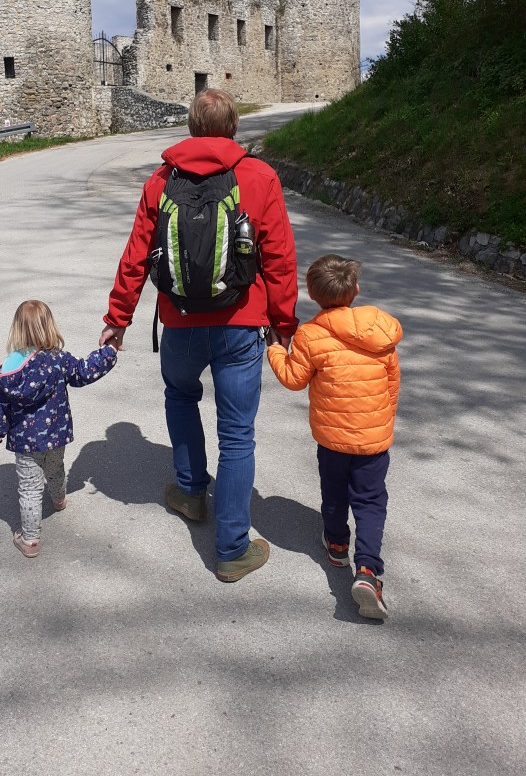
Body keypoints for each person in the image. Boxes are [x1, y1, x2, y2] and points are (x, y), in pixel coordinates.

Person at [100, 89, 299, 582]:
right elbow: (279, 259)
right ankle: (231, 550)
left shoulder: (160, 181)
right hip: (240, 325)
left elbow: (136, 257)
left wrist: (117, 319)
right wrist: (284, 324)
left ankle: (190, 492)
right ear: (233, 127)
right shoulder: (259, 177)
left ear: (191, 128)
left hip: (181, 323)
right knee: (237, 433)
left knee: (181, 396)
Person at [265, 255, 402, 619]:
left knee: (334, 492)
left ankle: (338, 544)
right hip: (373, 439)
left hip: (332, 440)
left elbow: (294, 379)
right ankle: (369, 570)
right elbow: (392, 382)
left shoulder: (311, 335)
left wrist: (276, 349)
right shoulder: (381, 331)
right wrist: (384, 419)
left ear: (312, 294)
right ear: (356, 290)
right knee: (371, 501)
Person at [0, 299, 117, 557]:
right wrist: (108, 353)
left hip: (25, 442)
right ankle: (58, 499)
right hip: (56, 436)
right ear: (49, 327)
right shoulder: (59, 360)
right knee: (55, 468)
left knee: (30, 488)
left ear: (17, 330)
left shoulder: (9, 368)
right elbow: (83, 372)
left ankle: (30, 540)